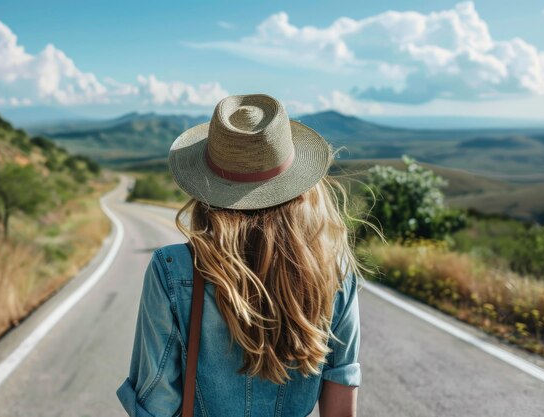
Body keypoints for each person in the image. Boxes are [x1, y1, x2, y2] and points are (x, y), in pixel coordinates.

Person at [117, 94, 364, 417]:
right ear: (299, 188)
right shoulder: (335, 272)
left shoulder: (173, 269)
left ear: (206, 188)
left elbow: (156, 404)